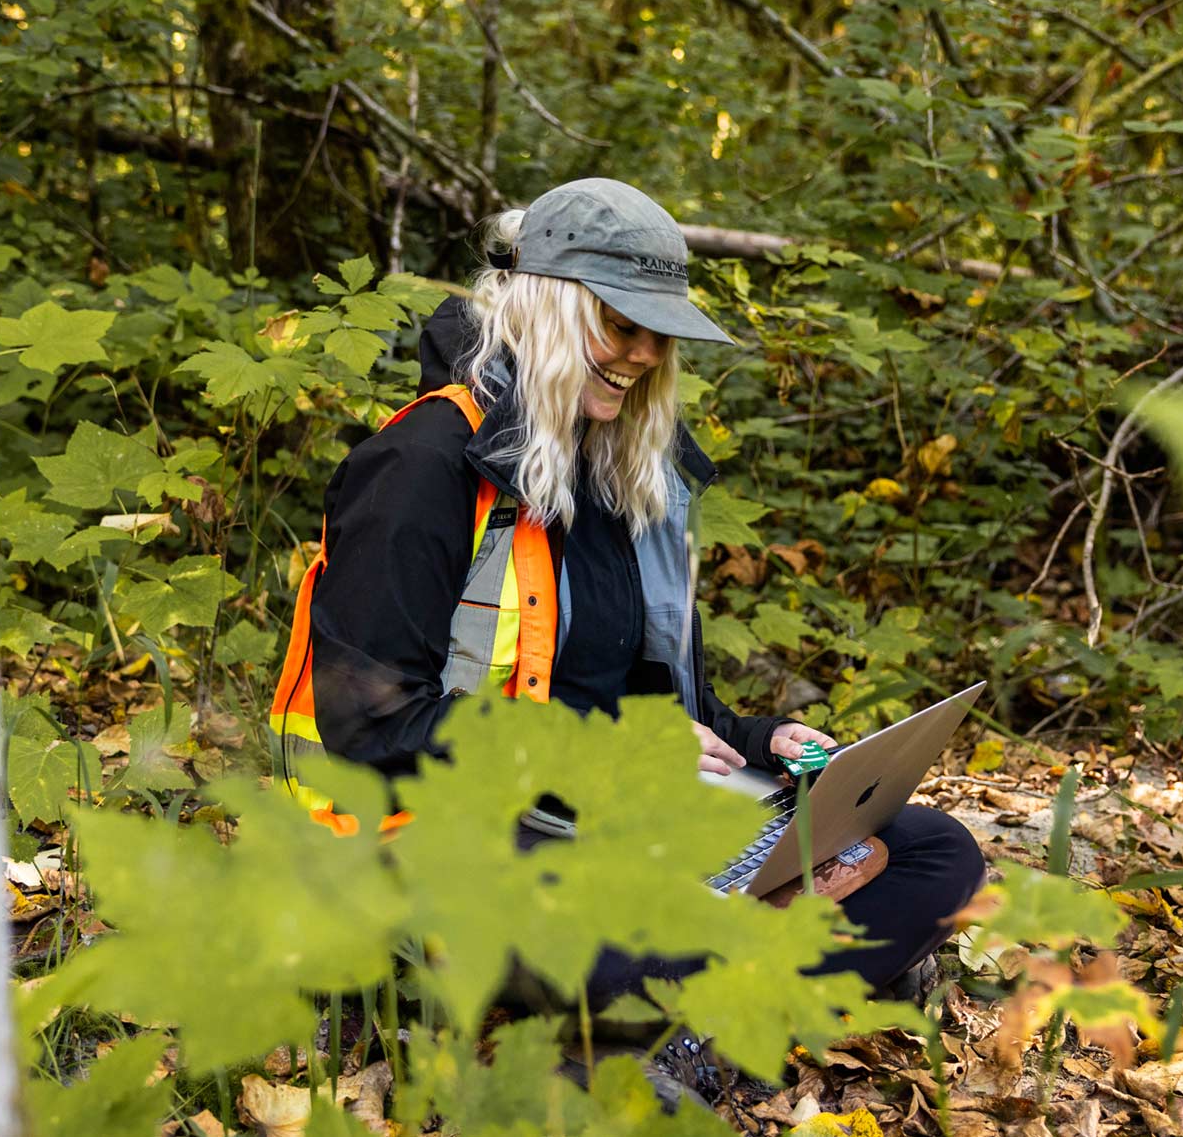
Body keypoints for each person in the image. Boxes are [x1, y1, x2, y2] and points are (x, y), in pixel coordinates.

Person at [268, 178, 984, 1008]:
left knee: (935, 852)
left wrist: (761, 740)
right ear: (546, 309)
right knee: (606, 949)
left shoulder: (622, 472)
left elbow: (662, 710)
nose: (643, 354)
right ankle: (723, 1009)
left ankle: (699, 1007)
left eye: (659, 336)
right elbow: (370, 727)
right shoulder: (422, 465)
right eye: (619, 324)